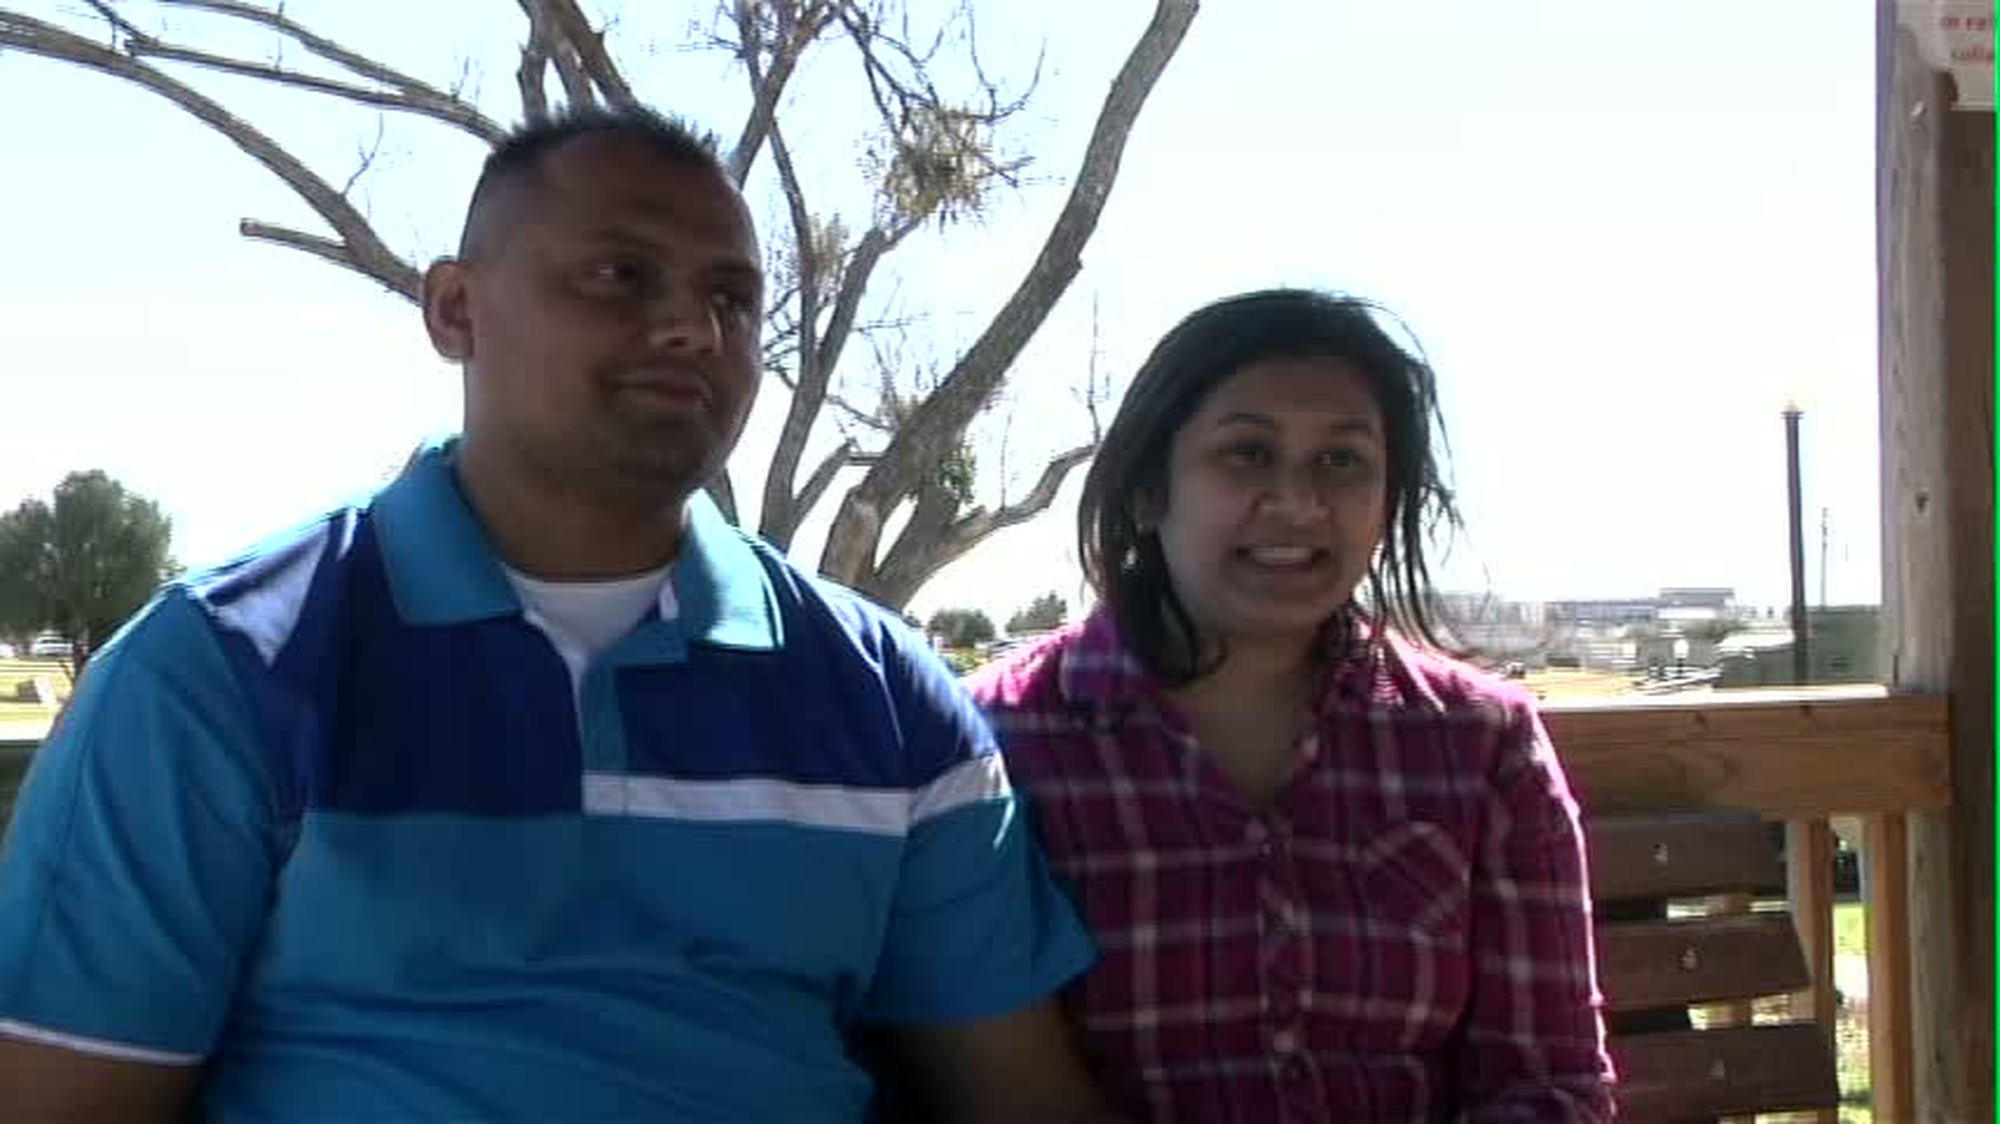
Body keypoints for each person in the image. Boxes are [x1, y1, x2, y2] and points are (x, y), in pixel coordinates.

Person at [0, 107, 1117, 1123]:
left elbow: (1015, 1094)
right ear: (454, 309)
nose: (692, 328)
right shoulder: (223, 671)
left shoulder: (883, 700)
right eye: (621, 275)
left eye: (732, 298)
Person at [967, 289, 1614, 1121]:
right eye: (1246, 454)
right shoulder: (997, 745)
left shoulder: (1483, 745)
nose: (1300, 504)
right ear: (1146, 492)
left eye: (1342, 461)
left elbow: (1550, 1084)